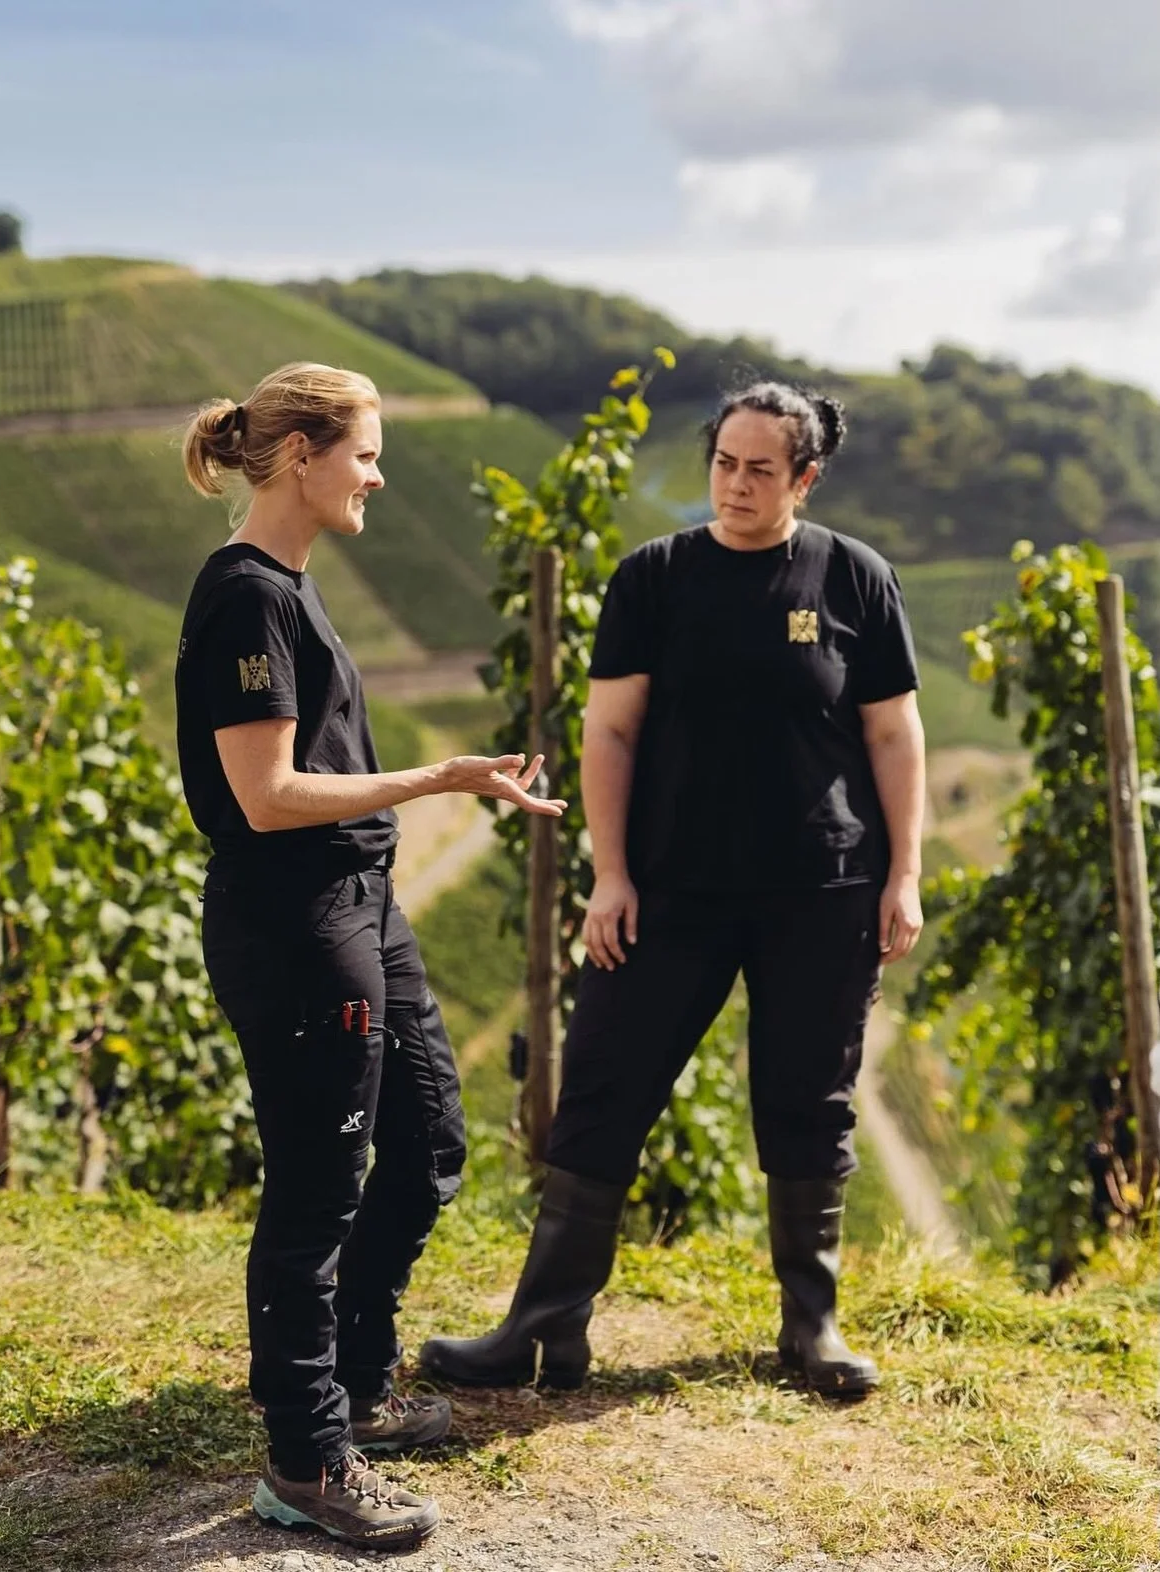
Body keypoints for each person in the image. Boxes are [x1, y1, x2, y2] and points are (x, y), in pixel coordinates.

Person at [420, 380, 925, 1399]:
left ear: (805, 479)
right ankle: (543, 1331)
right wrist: (609, 874)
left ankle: (811, 1329)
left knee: (808, 1100)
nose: (735, 485)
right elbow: (609, 731)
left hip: (821, 889)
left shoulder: (854, 579)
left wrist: (905, 873)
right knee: (604, 1085)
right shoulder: (653, 578)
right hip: (669, 890)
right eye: (723, 464)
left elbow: (891, 734)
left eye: (761, 470)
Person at [175, 362, 565, 1552]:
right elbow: (267, 794)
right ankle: (306, 1459)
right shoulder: (247, 598)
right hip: (297, 922)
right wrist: (440, 778)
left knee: (429, 1139)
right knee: (318, 1187)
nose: (379, 477)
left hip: (361, 907)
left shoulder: (289, 586)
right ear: (301, 455)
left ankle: (352, 1387)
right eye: (365, 454)